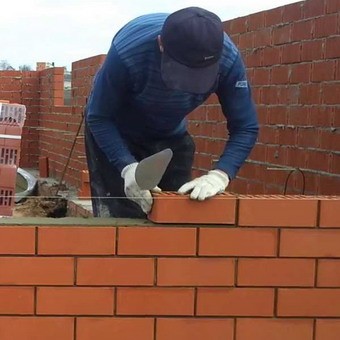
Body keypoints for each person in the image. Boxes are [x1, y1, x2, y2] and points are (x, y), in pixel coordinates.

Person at [84, 6, 259, 218]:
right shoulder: (128, 51)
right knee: (122, 217)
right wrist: (127, 167)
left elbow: (245, 126)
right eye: (181, 72)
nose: (183, 87)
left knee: (176, 213)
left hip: (171, 135)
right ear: (160, 44)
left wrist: (220, 175)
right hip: (117, 133)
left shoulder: (228, 60)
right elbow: (99, 116)